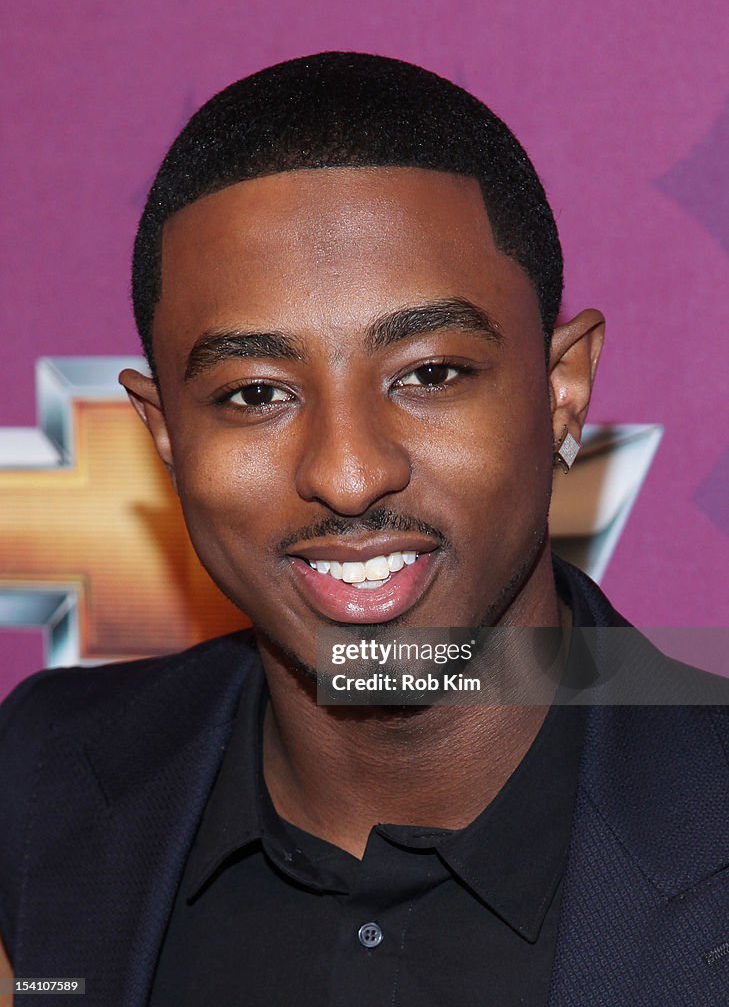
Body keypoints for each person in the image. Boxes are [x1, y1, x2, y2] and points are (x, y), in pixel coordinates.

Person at [1, 52, 728, 1007]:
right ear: (165, 434)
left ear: (561, 392)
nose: (346, 475)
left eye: (428, 374)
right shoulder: (42, 777)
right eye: (255, 393)